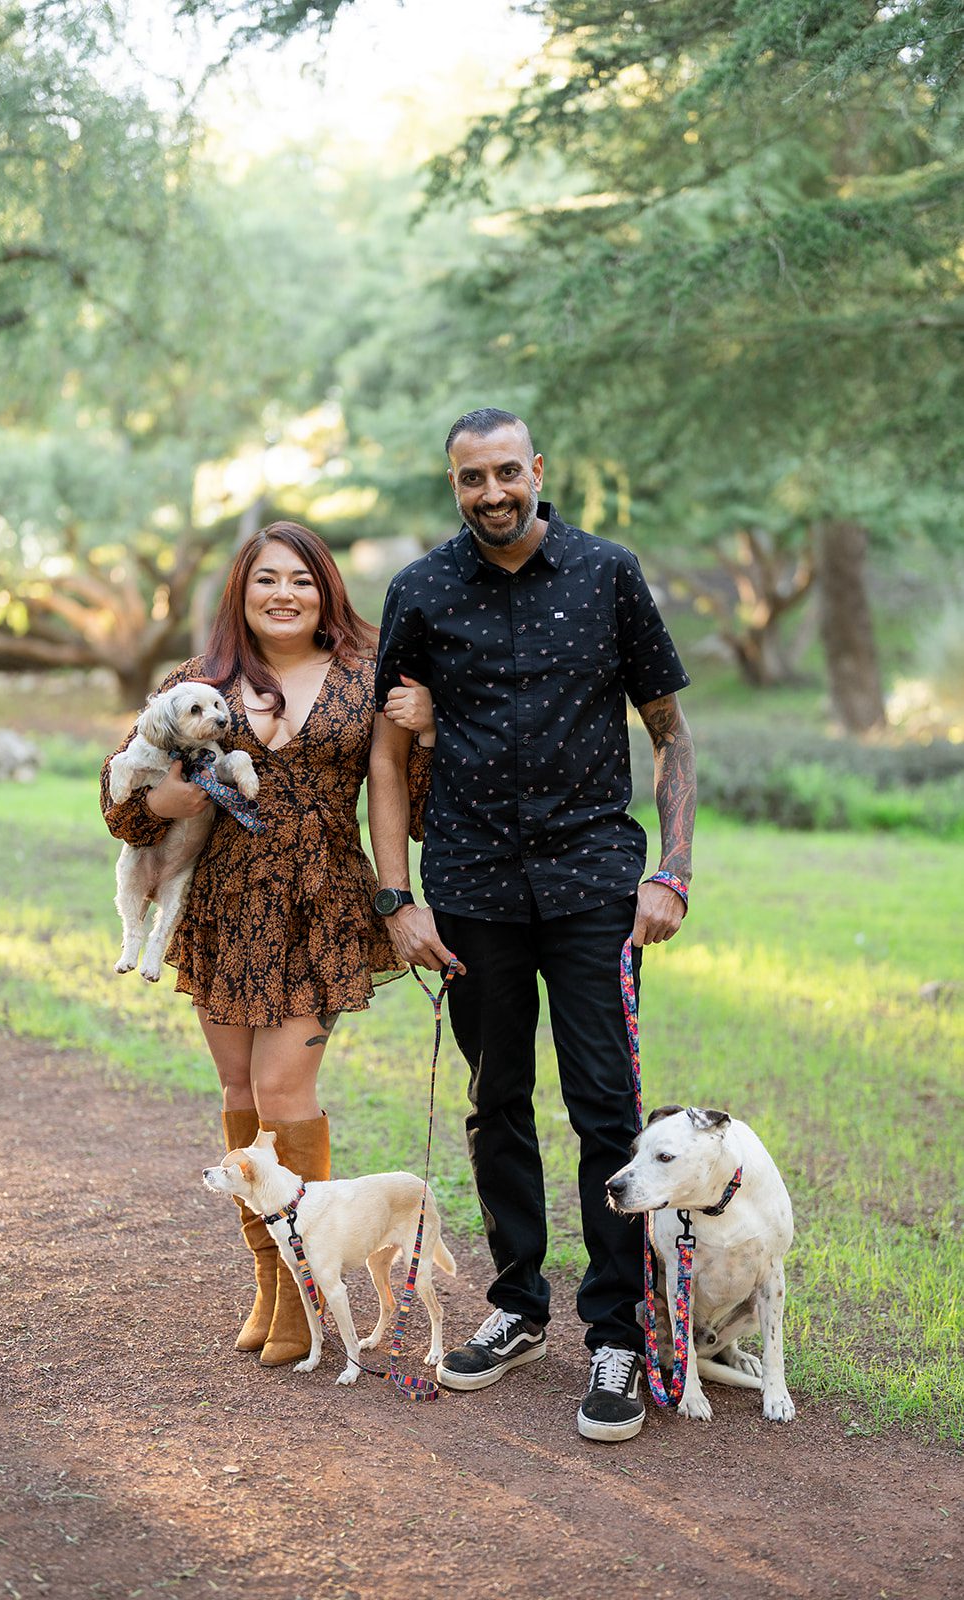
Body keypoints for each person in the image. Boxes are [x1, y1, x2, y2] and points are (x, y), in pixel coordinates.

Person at [368, 409, 695, 1443]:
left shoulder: (607, 574)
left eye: (506, 471)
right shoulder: (420, 589)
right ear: (452, 484)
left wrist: (672, 870)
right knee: (494, 1099)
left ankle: (615, 1335)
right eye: (471, 478)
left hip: (594, 883)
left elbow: (670, 732)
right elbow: (386, 754)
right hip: (469, 888)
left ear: (537, 470)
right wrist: (396, 898)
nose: (492, 492)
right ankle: (515, 1306)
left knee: (606, 1110)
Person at [101, 521, 434, 1366]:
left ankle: (303, 1290)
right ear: (240, 593)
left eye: (301, 579)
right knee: (238, 1088)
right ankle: (268, 1276)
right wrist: (162, 807)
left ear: (326, 590)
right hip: (222, 905)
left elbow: (408, 795)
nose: (284, 594)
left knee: (286, 1087)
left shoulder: (368, 676)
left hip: (322, 904)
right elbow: (120, 791)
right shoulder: (199, 681)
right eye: (265, 580)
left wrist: (428, 729)